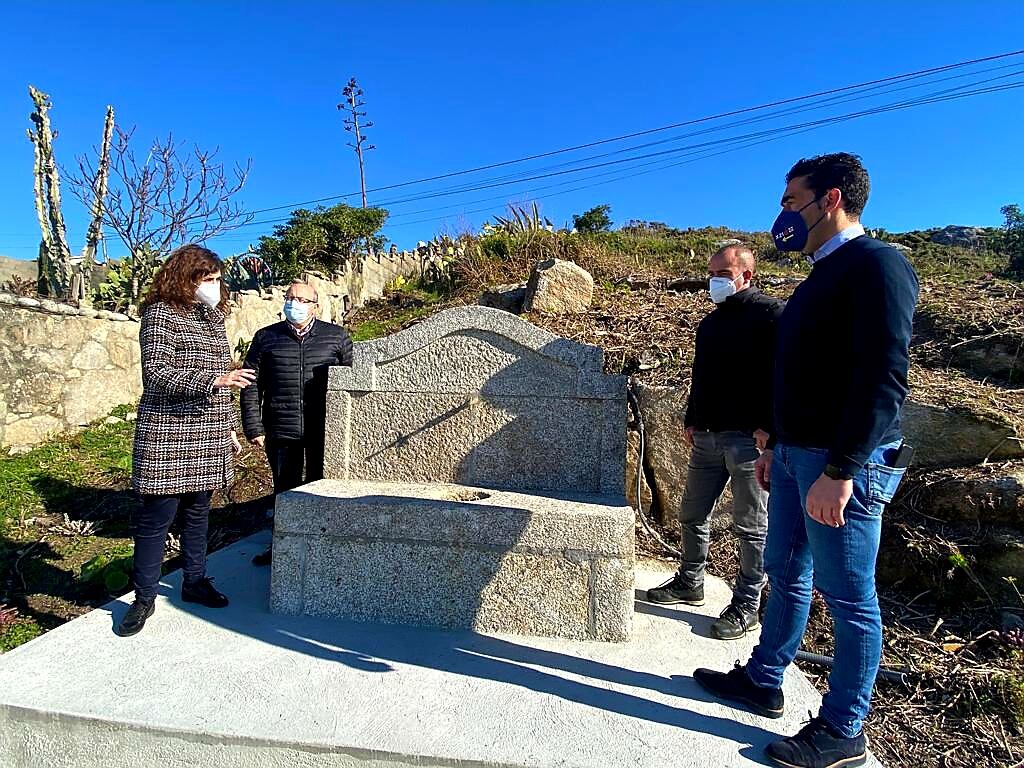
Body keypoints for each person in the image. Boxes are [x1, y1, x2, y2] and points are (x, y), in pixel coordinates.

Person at [694, 153, 919, 768]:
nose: (783, 212)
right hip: (795, 454)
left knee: (848, 597)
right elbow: (805, 375)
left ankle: (844, 730)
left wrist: (842, 469)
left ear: (832, 199)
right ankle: (764, 678)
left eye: (792, 200)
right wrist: (778, 443)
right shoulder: (820, 275)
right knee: (785, 568)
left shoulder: (877, 266)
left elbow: (882, 379)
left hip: (839, 463)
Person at [117, 245, 256, 637]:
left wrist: (229, 427)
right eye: (207, 279)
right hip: (169, 432)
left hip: (208, 430)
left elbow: (223, 376)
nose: (215, 286)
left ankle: (194, 580)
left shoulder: (212, 318)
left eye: (217, 279)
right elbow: (157, 374)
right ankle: (143, 597)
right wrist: (214, 380)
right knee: (156, 518)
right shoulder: (160, 313)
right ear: (186, 277)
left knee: (198, 512)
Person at [645, 245, 784, 640]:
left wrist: (772, 429)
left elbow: (785, 377)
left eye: (724, 272)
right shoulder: (710, 324)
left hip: (748, 440)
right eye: (712, 273)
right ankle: (691, 582)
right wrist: (692, 419)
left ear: (747, 275)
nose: (715, 280)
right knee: (691, 513)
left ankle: (747, 605)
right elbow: (701, 376)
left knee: (751, 526)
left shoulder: (772, 316)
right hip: (707, 438)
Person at [241, 279, 353, 565]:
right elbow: (250, 384)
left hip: (325, 429)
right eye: (290, 298)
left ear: (315, 306)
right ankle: (282, 547)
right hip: (281, 428)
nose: (295, 304)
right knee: (284, 490)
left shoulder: (336, 337)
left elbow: (352, 382)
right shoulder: (266, 337)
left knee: (322, 488)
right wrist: (254, 426)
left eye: (302, 300)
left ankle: (320, 547)